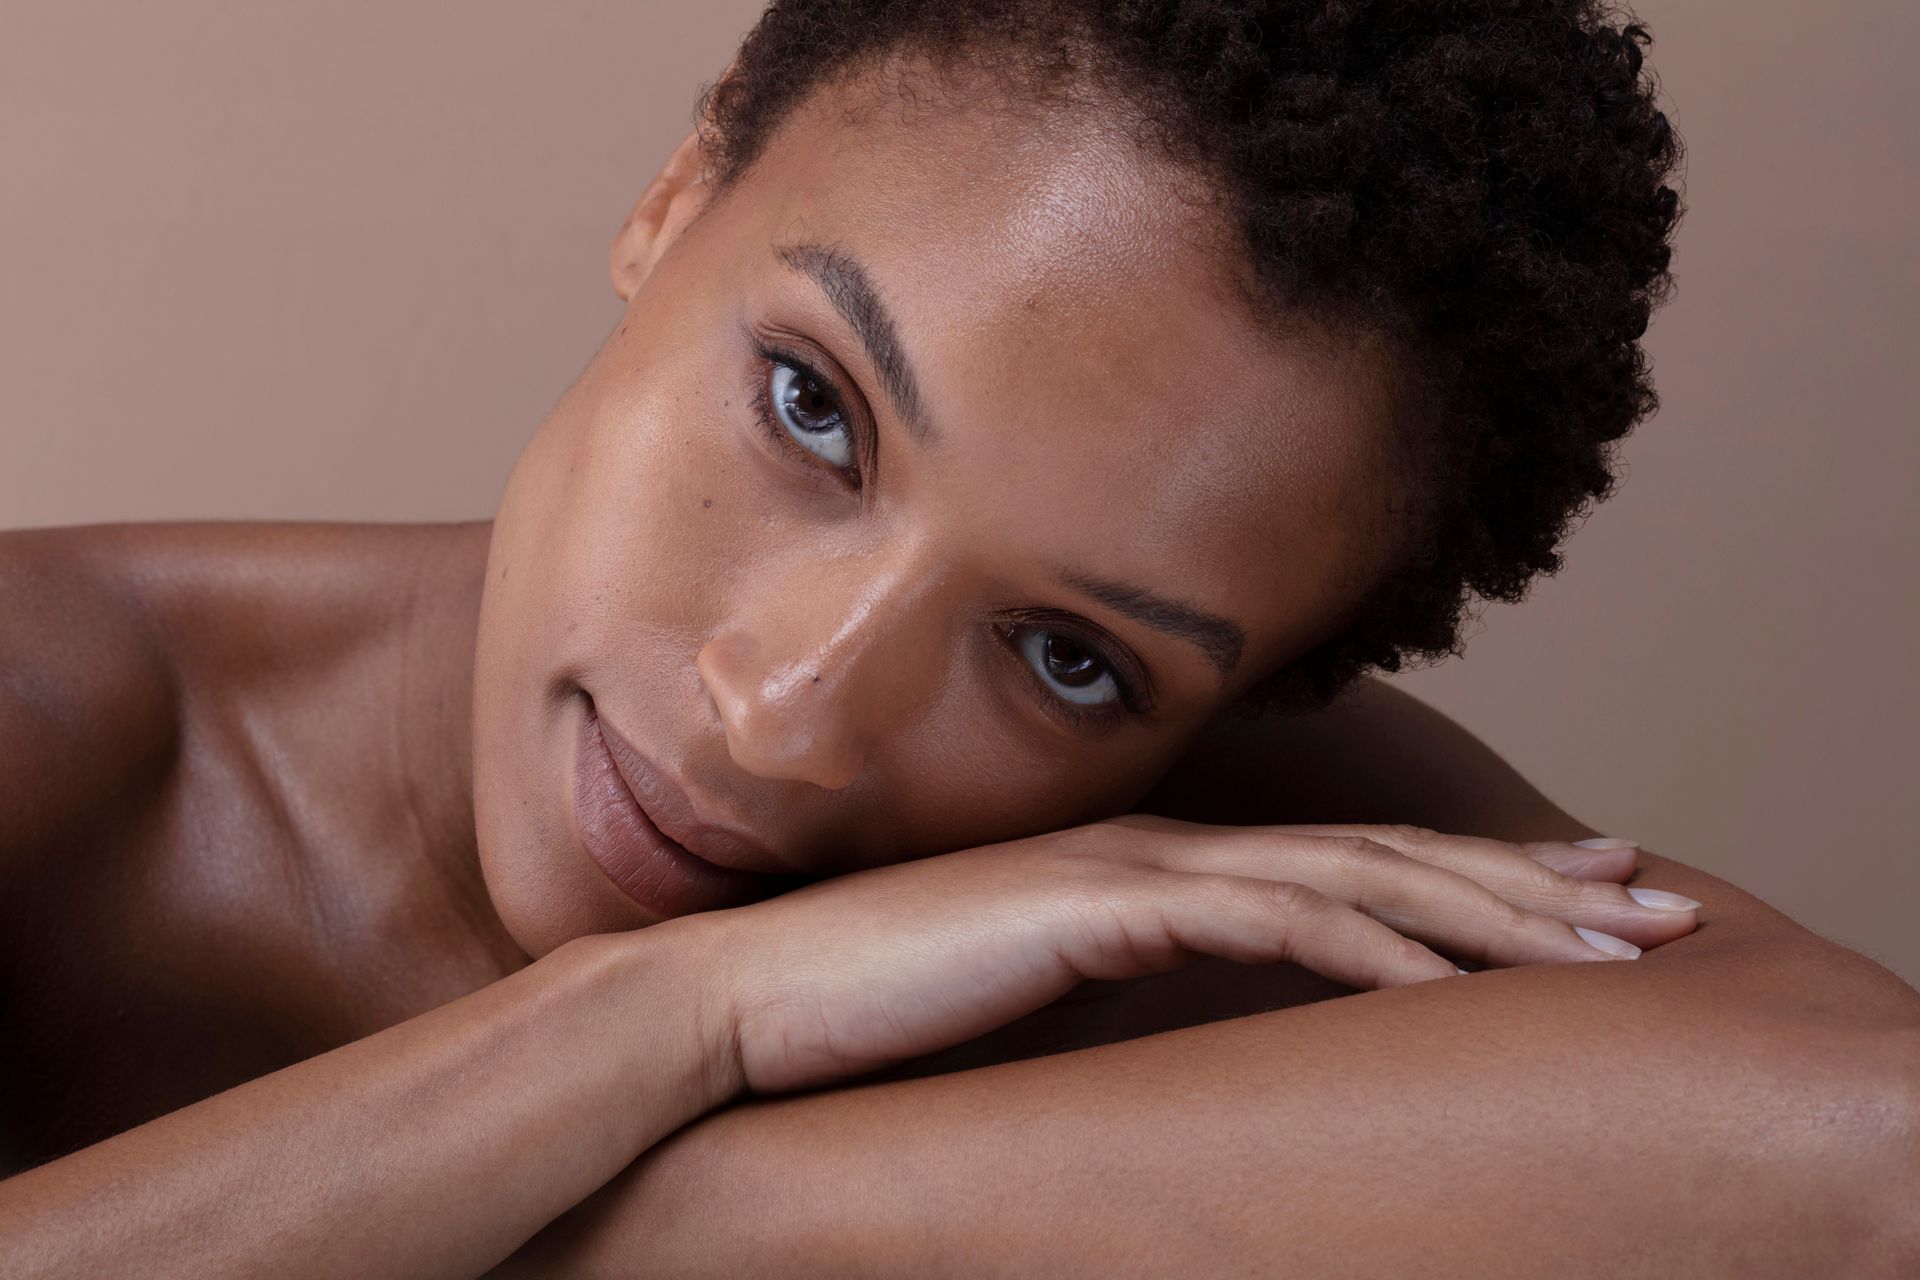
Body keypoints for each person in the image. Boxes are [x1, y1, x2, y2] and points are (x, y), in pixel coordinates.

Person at [2, 1, 1915, 1275]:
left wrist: (638, 1172)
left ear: (1259, 701)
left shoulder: (1213, 853)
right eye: (816, 410)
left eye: (1071, 656)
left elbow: (1878, 1145)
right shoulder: (52, 705)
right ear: (676, 200)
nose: (784, 719)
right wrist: (650, 1027)